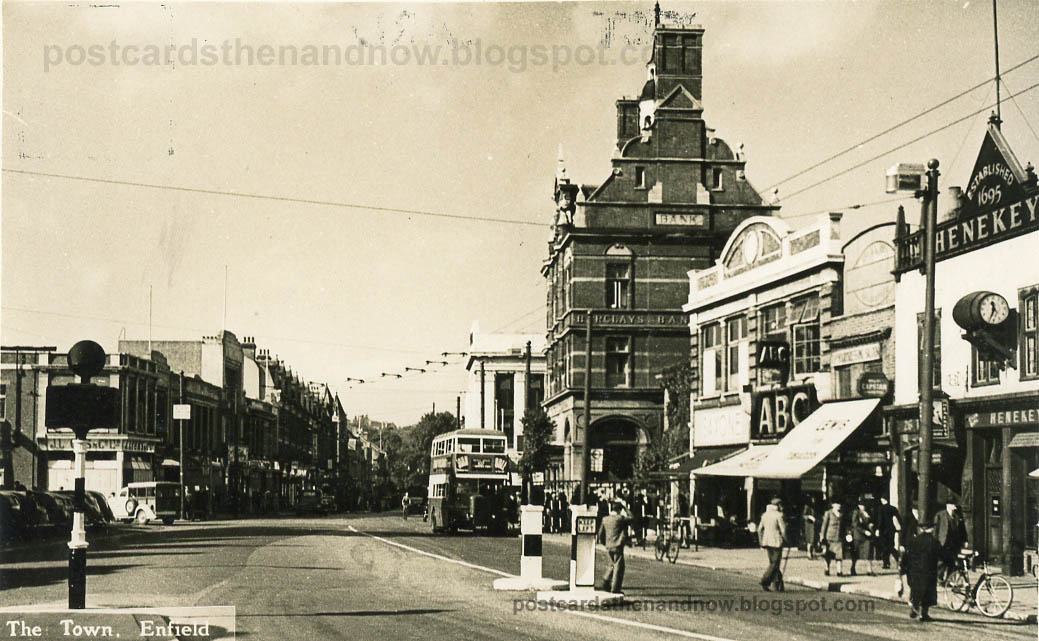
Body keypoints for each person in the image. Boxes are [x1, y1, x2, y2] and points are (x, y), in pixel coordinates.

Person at [899, 518, 941, 622]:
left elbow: (906, 556)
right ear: (931, 529)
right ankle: (924, 613)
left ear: (921, 529)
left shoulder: (914, 540)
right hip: (929, 571)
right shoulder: (934, 542)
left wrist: (903, 569)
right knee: (928, 593)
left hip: (914, 571)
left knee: (916, 590)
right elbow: (941, 554)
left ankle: (915, 606)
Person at [596, 499, 632, 593]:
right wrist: (625, 507)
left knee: (611, 565)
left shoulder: (605, 519)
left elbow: (600, 534)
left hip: (608, 546)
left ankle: (606, 580)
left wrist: (605, 543)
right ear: (619, 510)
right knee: (618, 568)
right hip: (617, 545)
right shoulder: (620, 519)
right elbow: (632, 517)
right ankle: (615, 589)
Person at [757, 498, 787, 591]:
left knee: (773, 563)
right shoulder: (779, 515)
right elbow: (783, 530)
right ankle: (765, 580)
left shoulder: (765, 515)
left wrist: (761, 540)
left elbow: (759, 529)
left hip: (767, 542)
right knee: (775, 564)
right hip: (776, 542)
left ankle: (778, 584)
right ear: (778, 505)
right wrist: (787, 540)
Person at [934, 500, 967, 582]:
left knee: (952, 562)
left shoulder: (957, 516)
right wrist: (935, 541)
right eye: (953, 504)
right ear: (948, 505)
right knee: (942, 562)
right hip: (943, 542)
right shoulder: (940, 515)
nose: (955, 506)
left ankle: (948, 580)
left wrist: (964, 540)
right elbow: (936, 529)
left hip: (954, 543)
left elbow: (962, 530)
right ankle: (939, 578)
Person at [819, 500, 846, 576]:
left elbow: (843, 526)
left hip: (839, 538)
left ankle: (839, 571)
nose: (839, 505)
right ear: (833, 505)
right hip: (829, 538)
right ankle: (827, 569)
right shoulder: (828, 513)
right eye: (837, 504)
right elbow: (824, 525)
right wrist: (822, 536)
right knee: (828, 555)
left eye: (840, 504)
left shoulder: (841, 514)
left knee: (839, 555)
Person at [850, 498, 875, 576]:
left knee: (869, 553)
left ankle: (869, 570)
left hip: (867, 537)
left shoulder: (868, 512)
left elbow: (871, 521)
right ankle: (853, 568)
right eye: (861, 505)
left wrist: (871, 525)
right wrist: (864, 531)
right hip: (858, 536)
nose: (863, 507)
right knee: (855, 553)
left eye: (864, 505)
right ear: (859, 506)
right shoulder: (856, 513)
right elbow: (855, 525)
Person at [876, 496, 902, 569]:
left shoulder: (881, 508)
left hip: (884, 531)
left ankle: (886, 563)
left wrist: (878, 529)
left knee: (885, 547)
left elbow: (880, 520)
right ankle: (898, 560)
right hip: (891, 530)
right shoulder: (893, 508)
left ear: (882, 500)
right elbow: (899, 518)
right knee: (891, 546)